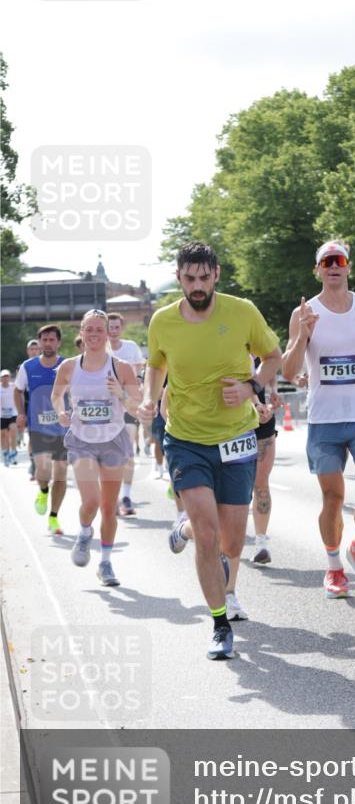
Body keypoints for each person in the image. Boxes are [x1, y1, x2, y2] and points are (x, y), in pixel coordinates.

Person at [138, 242, 281, 660]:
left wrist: (251, 386)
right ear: (179, 277)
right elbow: (157, 365)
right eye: (189, 279)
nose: (197, 286)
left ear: (216, 274)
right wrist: (150, 397)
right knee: (207, 531)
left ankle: (181, 530)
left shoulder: (242, 311)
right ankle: (219, 624)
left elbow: (272, 357)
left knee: (232, 542)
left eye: (204, 277)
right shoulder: (163, 321)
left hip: (237, 436)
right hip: (185, 437)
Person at [282, 240, 355, 599]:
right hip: (324, 421)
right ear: (317, 270)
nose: (334, 266)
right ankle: (333, 567)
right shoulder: (304, 312)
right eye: (326, 261)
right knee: (333, 498)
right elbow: (288, 371)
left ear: (349, 267)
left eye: (340, 260)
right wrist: (303, 334)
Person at [52, 310, 140, 586]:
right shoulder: (69, 366)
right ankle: (84, 532)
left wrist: (121, 394)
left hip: (113, 440)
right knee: (90, 501)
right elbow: (56, 395)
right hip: (82, 440)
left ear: (108, 334)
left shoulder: (122, 367)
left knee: (108, 507)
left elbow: (136, 406)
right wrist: (60, 412)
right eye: (88, 329)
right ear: (81, 332)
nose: (93, 335)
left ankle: (105, 563)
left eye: (99, 330)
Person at [14, 325, 69, 534]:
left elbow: (76, 393)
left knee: (61, 475)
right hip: (38, 428)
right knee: (43, 471)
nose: (48, 343)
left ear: (58, 342)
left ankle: (54, 517)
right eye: (44, 340)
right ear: (39, 343)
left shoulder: (68, 365)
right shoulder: (28, 367)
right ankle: (43, 490)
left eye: (52, 339)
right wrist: (21, 413)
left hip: (63, 430)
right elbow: (18, 390)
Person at [107, 312, 145, 516]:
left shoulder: (130, 347)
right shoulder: (99, 349)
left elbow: (140, 366)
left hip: (129, 403)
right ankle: (112, 497)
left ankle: (127, 495)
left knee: (128, 449)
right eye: (109, 327)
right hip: (108, 407)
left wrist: (137, 378)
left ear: (121, 328)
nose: (112, 331)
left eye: (116, 327)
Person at [250, 360, 282, 564]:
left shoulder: (257, 335)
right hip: (225, 421)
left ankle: (261, 543)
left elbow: (270, 362)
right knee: (224, 484)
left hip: (261, 419)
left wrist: (273, 389)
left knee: (261, 481)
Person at [0, 370, 18, 465]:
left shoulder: (13, 387)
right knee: (3, 435)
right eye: (3, 376)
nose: (5, 378)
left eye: (7, 376)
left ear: (10, 377)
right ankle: (5, 453)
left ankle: (13, 453)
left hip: (13, 413)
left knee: (13, 432)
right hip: (1, 415)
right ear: (1, 378)